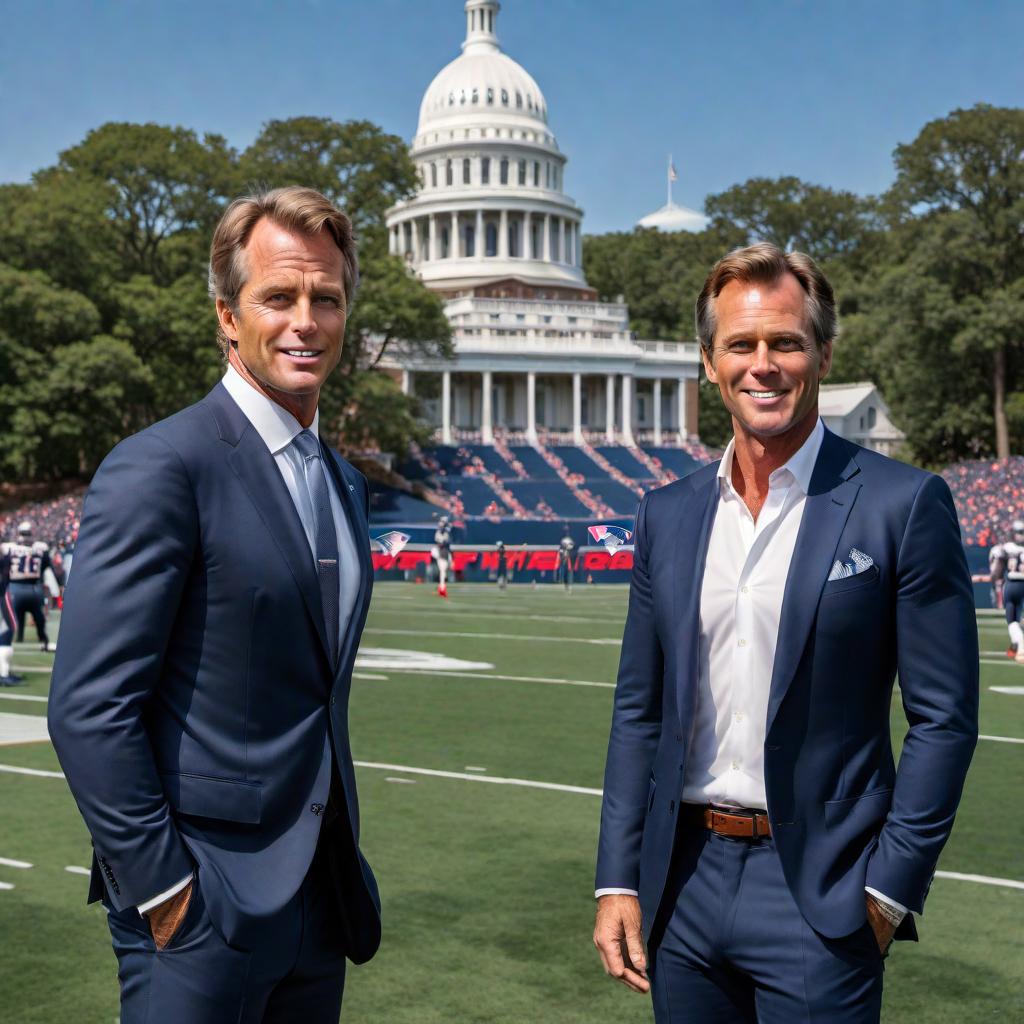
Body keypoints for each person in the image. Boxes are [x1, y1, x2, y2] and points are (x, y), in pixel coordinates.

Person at [593, 242, 978, 1022]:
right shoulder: (666, 514)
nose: (762, 365)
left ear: (823, 354)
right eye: (740, 344)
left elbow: (945, 718)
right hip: (685, 882)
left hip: (822, 891)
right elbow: (640, 710)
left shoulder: (903, 504)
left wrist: (888, 892)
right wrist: (619, 880)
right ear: (709, 362)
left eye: (785, 343)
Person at [48, 186, 381, 1023]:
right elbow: (89, 709)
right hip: (199, 908)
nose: (306, 319)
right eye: (279, 297)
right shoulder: (163, 465)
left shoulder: (339, 479)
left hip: (317, 903)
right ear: (228, 317)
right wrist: (164, 890)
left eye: (327, 299)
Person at [6, 520, 59, 651]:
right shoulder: (40, 548)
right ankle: (43, 641)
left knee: (14, 618)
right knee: (39, 617)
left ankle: (13, 640)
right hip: (34, 588)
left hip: (14, 588)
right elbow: (49, 568)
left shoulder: (9, 548)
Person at [988, 521, 1024, 661]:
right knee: (1018, 616)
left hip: (1013, 584)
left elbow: (997, 570)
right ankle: (1015, 644)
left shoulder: (1007, 547)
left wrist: (995, 578)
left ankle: (1020, 645)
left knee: (1012, 619)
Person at [0, 540, 23, 686]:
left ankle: (4, 671)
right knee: (7, 631)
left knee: (6, 631)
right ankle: (3, 674)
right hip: (2, 594)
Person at [433, 515, 453, 598]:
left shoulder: (445, 531)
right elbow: (441, 542)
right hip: (441, 551)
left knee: (444, 571)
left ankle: (441, 587)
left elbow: (446, 542)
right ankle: (442, 588)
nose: (440, 523)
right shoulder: (441, 531)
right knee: (443, 571)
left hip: (445, 552)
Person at [558, 528, 575, 592]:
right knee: (564, 572)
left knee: (569, 572)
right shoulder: (563, 542)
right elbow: (561, 550)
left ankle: (569, 584)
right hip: (564, 559)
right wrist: (563, 556)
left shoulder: (569, 540)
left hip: (569, 559)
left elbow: (571, 547)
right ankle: (564, 582)